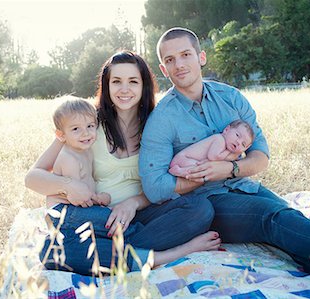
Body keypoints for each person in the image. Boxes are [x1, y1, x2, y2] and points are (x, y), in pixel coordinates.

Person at [138, 27, 310, 298]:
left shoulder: (231, 98)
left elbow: (261, 156)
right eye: (169, 60)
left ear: (201, 57)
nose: (178, 64)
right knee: (271, 218)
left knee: (291, 223)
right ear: (163, 70)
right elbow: (155, 187)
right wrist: (205, 175)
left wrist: (231, 168)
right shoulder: (162, 119)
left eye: (185, 54)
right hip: (207, 202)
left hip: (244, 186)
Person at [25, 51, 220, 276]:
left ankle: (115, 252)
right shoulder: (86, 124)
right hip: (98, 217)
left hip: (143, 215)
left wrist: (133, 203)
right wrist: (68, 185)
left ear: (144, 85)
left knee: (200, 209)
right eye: (116, 81)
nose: (124, 89)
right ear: (106, 86)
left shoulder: (159, 123)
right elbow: (33, 178)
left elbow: (166, 182)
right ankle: (164, 254)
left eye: (133, 81)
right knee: (51, 250)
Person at [48, 98, 111, 209]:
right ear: (61, 135)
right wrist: (100, 199)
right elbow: (78, 196)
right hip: (65, 209)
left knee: (110, 216)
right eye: (76, 129)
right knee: (109, 218)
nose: (85, 133)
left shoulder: (87, 151)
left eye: (90, 126)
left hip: (82, 204)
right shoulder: (69, 159)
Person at [169, 119, 254, 177]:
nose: (238, 142)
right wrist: (230, 152)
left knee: (203, 169)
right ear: (227, 130)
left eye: (243, 144)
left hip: (188, 161)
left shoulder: (224, 144)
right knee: (200, 169)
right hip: (182, 159)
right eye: (237, 135)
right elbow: (213, 157)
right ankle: (178, 171)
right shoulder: (219, 139)